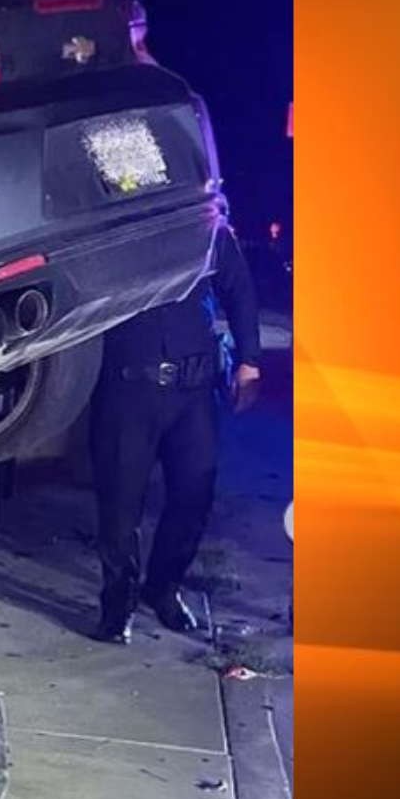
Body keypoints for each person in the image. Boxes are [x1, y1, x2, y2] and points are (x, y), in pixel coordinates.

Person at [88, 224, 261, 644]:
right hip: (127, 388)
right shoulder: (114, 228)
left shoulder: (205, 225)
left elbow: (238, 286)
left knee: (193, 497)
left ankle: (163, 588)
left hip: (194, 391)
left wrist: (249, 361)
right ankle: (118, 602)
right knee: (119, 504)